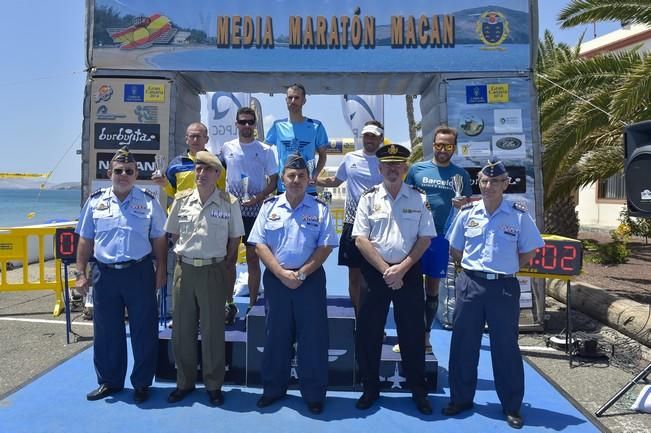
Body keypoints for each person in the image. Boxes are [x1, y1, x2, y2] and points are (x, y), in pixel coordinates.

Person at [443, 160, 544, 429]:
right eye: (484, 182)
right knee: (464, 344)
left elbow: (530, 250)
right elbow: (456, 249)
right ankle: (461, 399)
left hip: (503, 288)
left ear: (505, 184)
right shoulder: (467, 212)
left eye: (495, 182)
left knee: (506, 347)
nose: (488, 186)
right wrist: (475, 269)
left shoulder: (519, 215)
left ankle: (511, 406)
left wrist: (505, 269)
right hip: (471, 284)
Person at [75, 146, 167, 404]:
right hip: (104, 275)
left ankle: (141, 383)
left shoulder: (149, 201)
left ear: (137, 173)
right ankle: (110, 382)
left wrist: (161, 271)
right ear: (109, 173)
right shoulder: (95, 201)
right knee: (106, 331)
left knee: (143, 330)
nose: (123, 174)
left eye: (129, 170)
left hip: (139, 272)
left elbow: (159, 239)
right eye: (118, 170)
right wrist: (80, 273)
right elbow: (85, 240)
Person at [247, 154, 338, 414]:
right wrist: (280, 273)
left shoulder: (320, 209)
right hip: (277, 280)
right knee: (276, 336)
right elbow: (260, 244)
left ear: (309, 179)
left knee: (313, 339)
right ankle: (273, 390)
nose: (296, 180)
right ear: (283, 179)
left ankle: (313, 394)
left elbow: (325, 247)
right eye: (291, 176)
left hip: (309, 280)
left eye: (301, 176)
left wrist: (301, 274)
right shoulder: (269, 207)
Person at [352, 143, 435, 415]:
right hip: (375, 274)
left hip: (408, 272)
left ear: (405, 168)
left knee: (411, 332)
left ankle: (418, 390)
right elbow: (360, 239)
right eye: (387, 165)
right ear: (379, 168)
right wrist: (386, 269)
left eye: (397, 165)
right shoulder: (368, 198)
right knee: (369, 331)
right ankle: (370, 387)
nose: (392, 169)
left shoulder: (418, 197)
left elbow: (425, 238)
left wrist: (401, 269)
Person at [164, 151, 244, 406]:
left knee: (212, 330)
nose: (201, 174)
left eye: (207, 170)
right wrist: (189, 252)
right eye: (198, 169)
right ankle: (184, 382)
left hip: (213, 270)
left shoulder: (229, 202)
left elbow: (234, 240)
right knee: (183, 330)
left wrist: (221, 263)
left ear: (217, 175)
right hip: (185, 271)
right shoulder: (181, 199)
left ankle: (213, 385)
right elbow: (174, 234)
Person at [151, 122, 238, 325]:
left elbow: (222, 192)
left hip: (210, 222)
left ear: (207, 139)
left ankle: (220, 308)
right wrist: (164, 184)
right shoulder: (175, 164)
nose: (195, 139)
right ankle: (182, 313)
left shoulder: (218, 163)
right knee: (182, 268)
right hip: (182, 223)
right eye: (192, 136)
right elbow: (173, 192)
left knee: (214, 267)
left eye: (199, 136)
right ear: (186, 139)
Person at [399, 125, 472, 354]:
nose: (442, 149)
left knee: (432, 290)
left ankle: (425, 336)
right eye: (439, 145)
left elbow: (467, 206)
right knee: (408, 290)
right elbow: (403, 197)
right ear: (433, 145)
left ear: (454, 148)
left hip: (440, 239)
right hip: (412, 237)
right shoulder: (417, 170)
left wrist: (465, 204)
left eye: (448, 146)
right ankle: (407, 336)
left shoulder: (461, 175)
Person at [316, 120, 384, 315]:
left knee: (376, 274)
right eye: (366, 135)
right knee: (354, 275)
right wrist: (312, 179)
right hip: (352, 224)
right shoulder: (350, 158)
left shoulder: (385, 161)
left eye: (373, 136)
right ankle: (358, 315)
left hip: (378, 225)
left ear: (380, 138)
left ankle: (373, 315)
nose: (369, 139)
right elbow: (335, 181)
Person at [222, 107, 279, 309]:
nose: (246, 126)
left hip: (255, 211)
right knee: (229, 259)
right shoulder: (226, 147)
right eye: (243, 122)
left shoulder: (265, 150)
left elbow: (273, 181)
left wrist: (258, 198)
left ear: (255, 125)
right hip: (232, 211)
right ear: (236, 124)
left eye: (250, 122)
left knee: (254, 260)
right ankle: (228, 304)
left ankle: (253, 306)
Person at [265, 83, 328, 195]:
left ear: (304, 100)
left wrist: (315, 174)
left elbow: (323, 155)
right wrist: (271, 174)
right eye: (290, 97)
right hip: (284, 188)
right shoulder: (277, 126)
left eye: (297, 98)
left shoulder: (316, 126)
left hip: (308, 188)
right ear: (286, 100)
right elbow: (263, 151)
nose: (293, 101)